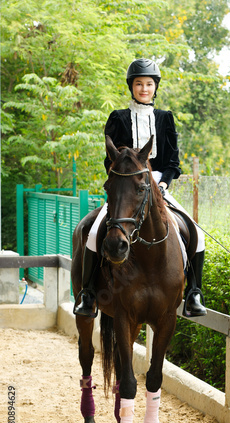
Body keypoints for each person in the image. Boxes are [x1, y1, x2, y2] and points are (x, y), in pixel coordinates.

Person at [74, 58, 206, 317]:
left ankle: (194, 293)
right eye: (139, 84)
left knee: (196, 233)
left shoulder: (165, 119)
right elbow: (109, 159)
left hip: (158, 186)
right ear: (131, 87)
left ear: (155, 87)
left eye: (148, 84)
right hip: (126, 187)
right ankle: (88, 294)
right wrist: (123, 184)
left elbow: (173, 162)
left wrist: (164, 182)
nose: (144, 88)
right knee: (92, 234)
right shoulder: (118, 118)